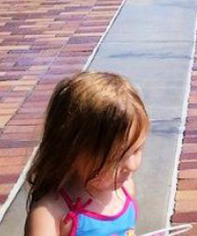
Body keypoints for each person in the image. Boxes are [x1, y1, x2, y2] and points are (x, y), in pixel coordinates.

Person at [24, 72, 148, 236]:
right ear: (71, 151)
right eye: (116, 158)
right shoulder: (51, 213)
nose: (132, 166)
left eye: (137, 150)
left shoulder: (125, 189)